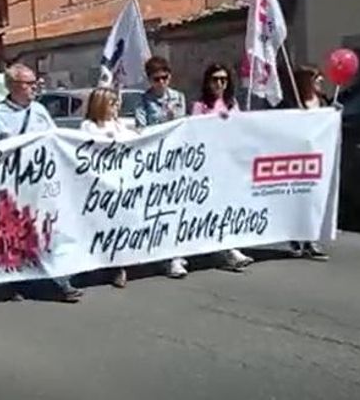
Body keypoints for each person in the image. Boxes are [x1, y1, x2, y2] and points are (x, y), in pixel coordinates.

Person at [0, 63, 83, 303]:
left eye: (35, 82)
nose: (35, 87)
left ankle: (60, 281)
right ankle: (14, 282)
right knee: (14, 235)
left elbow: (55, 140)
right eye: (29, 83)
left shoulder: (39, 110)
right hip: (11, 184)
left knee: (46, 231)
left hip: (40, 183)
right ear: (13, 86)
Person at [190, 64, 255, 273]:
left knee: (229, 206)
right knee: (213, 207)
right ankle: (226, 250)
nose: (220, 83)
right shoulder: (200, 106)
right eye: (216, 79)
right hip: (209, 164)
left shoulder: (232, 103)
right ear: (208, 82)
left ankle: (229, 247)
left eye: (224, 80)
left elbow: (240, 129)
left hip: (230, 163)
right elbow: (195, 132)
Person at [133, 57, 190, 279]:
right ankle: (165, 255)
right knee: (160, 208)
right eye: (157, 79)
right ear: (150, 80)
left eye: (165, 77)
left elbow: (184, 123)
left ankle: (176, 252)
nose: (162, 82)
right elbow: (142, 127)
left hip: (176, 158)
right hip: (155, 159)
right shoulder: (143, 101)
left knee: (178, 206)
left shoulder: (178, 97)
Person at [80, 87, 138, 288]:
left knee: (120, 225)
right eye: (112, 103)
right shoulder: (89, 126)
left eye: (116, 103)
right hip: (101, 185)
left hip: (122, 183)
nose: (116, 107)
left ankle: (119, 266)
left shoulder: (120, 125)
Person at [290, 66, 330, 261]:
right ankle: (297, 238)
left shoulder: (324, 102)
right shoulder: (293, 104)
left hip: (318, 158)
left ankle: (311, 240)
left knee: (315, 198)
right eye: (316, 79)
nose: (321, 81)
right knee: (299, 197)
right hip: (298, 158)